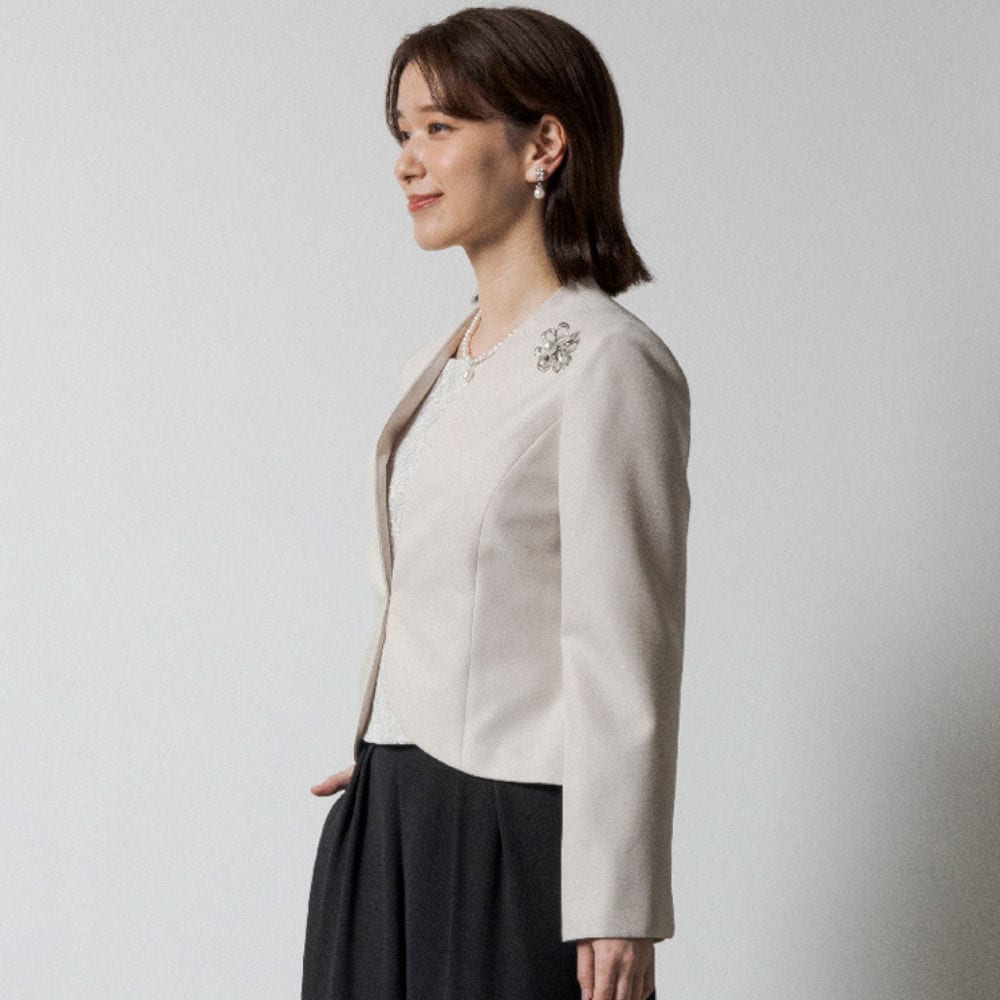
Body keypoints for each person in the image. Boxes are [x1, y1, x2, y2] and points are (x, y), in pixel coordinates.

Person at [301, 7, 690, 1000]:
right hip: (389, 813)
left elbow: (622, 645)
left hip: (510, 835)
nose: (407, 161)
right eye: (402, 131)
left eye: (439, 127)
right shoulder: (432, 367)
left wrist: (618, 896)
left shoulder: (608, 363)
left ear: (543, 145)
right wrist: (386, 747)